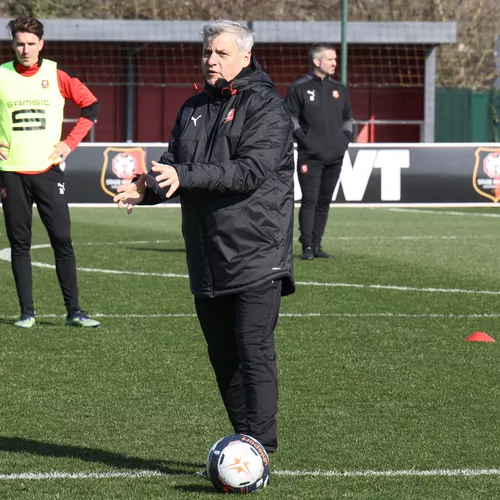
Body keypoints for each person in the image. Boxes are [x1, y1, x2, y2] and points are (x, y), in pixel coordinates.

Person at [113, 19, 295, 454]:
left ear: (246, 56)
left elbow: (249, 170)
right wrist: (146, 188)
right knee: (223, 358)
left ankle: (259, 448)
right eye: (208, 52)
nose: (211, 60)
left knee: (253, 349)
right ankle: (244, 441)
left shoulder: (267, 107)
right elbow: (173, 166)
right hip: (207, 256)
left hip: (257, 251)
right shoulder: (192, 107)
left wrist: (184, 175)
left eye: (222, 53)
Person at [0, 16, 101, 328]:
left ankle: (74, 312)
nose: (25, 50)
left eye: (31, 44)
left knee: (62, 240)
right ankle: (27, 313)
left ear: (41, 44)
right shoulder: (2, 75)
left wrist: (69, 144)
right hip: (11, 172)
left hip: (48, 171)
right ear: (12, 45)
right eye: (20, 43)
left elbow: (91, 106)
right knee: (19, 244)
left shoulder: (57, 74)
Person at [286, 43, 353, 260]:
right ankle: (306, 246)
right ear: (317, 61)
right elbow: (290, 118)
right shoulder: (299, 87)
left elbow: (348, 119)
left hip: (335, 156)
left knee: (324, 202)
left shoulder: (340, 89)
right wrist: (306, 141)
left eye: (335, 59)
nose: (335, 63)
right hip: (310, 157)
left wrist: (344, 140)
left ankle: (317, 245)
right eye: (330, 59)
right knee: (310, 200)